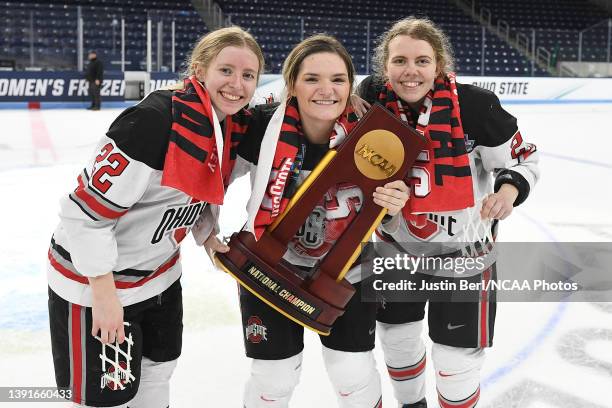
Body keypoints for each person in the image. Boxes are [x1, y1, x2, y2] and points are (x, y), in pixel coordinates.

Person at [47, 27, 264, 408]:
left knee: (159, 371)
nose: (237, 84)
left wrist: (207, 233)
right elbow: (82, 215)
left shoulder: (232, 125)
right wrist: (103, 292)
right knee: (107, 396)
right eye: (226, 70)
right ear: (199, 70)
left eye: (248, 75)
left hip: (161, 275)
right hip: (94, 281)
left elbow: (196, 191)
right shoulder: (151, 122)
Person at [352, 17, 539, 408]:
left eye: (422, 61)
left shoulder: (475, 105)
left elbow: (525, 159)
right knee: (398, 343)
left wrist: (507, 190)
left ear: (439, 64)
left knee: (456, 362)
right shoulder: (367, 97)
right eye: (399, 60)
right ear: (384, 66)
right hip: (393, 250)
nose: (410, 71)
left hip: (465, 255)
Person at [232, 34, 410, 408]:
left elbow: (390, 220)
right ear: (292, 83)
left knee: (352, 370)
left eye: (338, 80)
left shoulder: (373, 132)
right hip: (270, 265)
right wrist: (205, 230)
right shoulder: (262, 125)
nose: (326, 90)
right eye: (312, 78)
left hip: (349, 268)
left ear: (350, 85)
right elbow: (208, 179)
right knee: (273, 377)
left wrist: (393, 208)